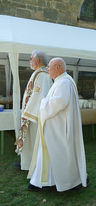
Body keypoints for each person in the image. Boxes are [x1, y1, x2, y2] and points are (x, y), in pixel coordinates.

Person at [27, 58, 88, 192]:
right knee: (53, 155)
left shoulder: (64, 83)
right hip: (57, 126)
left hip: (59, 128)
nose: (48, 70)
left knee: (58, 155)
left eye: (50, 67)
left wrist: (43, 103)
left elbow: (58, 102)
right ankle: (48, 181)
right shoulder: (61, 81)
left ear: (58, 67)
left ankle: (63, 182)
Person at [15, 50, 52, 170]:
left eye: (31, 58)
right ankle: (26, 163)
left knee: (33, 140)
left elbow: (41, 96)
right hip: (30, 113)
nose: (30, 61)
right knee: (29, 141)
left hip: (34, 115)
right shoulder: (38, 73)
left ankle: (33, 165)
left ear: (37, 60)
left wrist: (28, 113)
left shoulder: (43, 75)